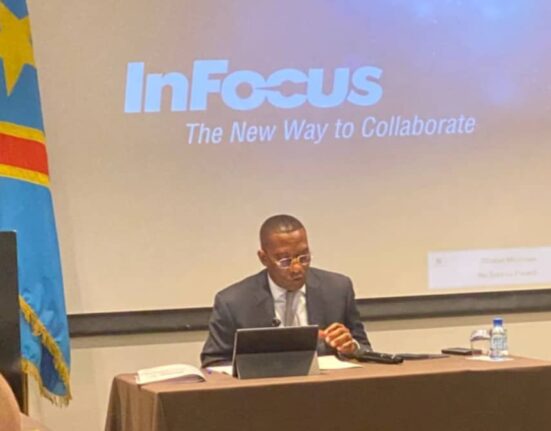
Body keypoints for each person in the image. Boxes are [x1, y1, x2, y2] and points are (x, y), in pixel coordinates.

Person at [201, 214, 372, 367]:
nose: (297, 268)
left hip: (326, 389)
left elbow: (366, 350)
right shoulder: (233, 303)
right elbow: (213, 363)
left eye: (304, 258)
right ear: (263, 258)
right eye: (285, 261)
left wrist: (351, 348)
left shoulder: (337, 289)